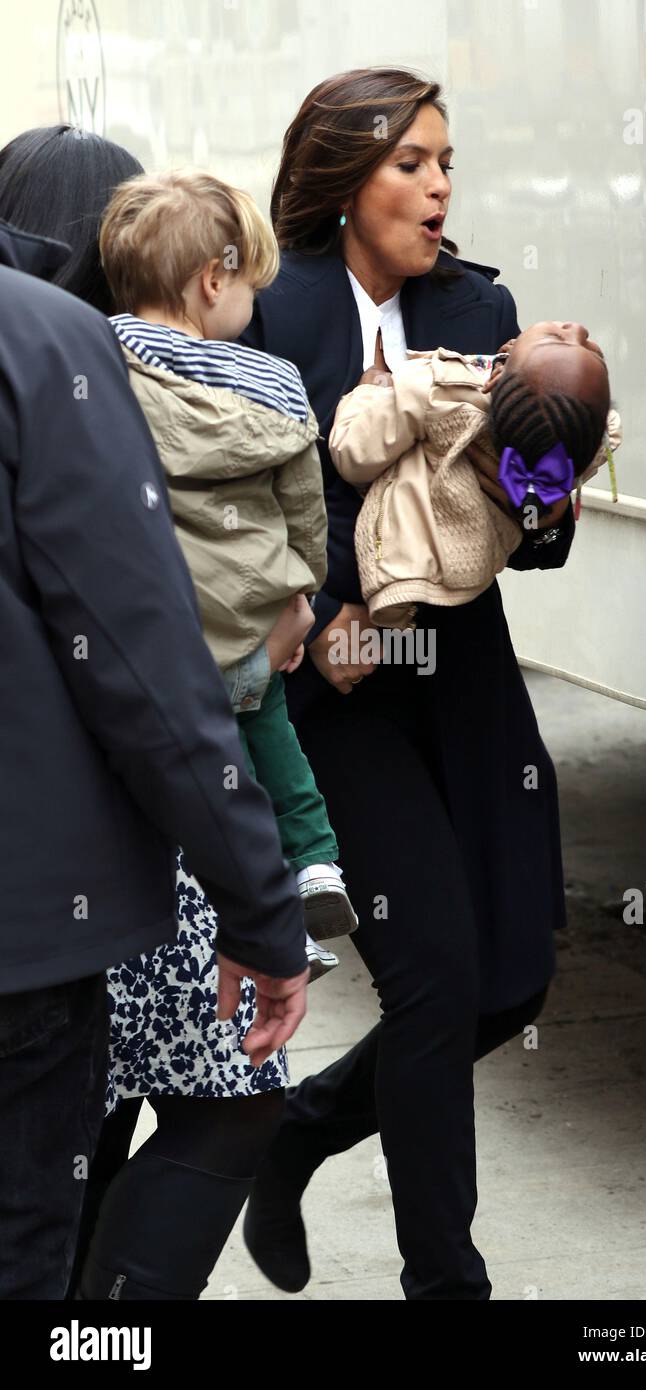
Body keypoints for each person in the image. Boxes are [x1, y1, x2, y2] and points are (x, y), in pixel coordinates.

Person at [240, 67, 581, 1301]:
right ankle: (448, 1280)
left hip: (464, 677)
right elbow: (252, 506)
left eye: (446, 163)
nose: (439, 187)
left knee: (511, 976)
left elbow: (537, 536)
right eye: (410, 163)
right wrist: (322, 614)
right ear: (343, 182)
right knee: (434, 972)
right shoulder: (276, 312)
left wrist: (552, 469)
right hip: (344, 694)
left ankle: (303, 1127)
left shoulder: (480, 303)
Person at [0, 126, 316, 1303]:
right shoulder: (62, 354)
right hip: (107, 869)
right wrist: (265, 904)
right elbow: (140, 663)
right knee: (212, 1099)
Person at [100, 168, 358, 962]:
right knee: (273, 742)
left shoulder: (101, 363)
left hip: (164, 644)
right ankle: (313, 870)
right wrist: (302, 594)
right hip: (257, 633)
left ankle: (251, 913)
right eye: (249, 282)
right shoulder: (276, 385)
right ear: (213, 280)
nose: (255, 303)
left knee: (211, 788)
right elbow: (304, 509)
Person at [329, 325, 620, 627]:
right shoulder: (574, 442)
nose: (578, 329)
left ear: (495, 379)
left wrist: (369, 391)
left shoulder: (436, 385)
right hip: (473, 565)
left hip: (412, 579)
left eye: (559, 339)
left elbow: (352, 453)